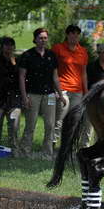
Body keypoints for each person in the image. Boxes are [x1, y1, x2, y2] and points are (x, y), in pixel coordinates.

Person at [19, 28, 64, 159]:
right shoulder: (27, 55)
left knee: (50, 125)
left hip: (49, 94)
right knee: (30, 124)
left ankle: (47, 153)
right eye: (40, 38)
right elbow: (21, 76)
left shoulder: (51, 55)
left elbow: (55, 77)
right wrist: (24, 96)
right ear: (35, 39)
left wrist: (60, 95)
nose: (43, 40)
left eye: (45, 38)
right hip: (32, 94)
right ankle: (25, 152)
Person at [52, 24, 89, 143]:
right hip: (62, 88)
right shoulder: (58, 48)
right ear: (67, 35)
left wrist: (86, 92)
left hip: (77, 91)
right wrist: (55, 89)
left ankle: (66, 145)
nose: (75, 36)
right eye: (72, 33)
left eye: (77, 34)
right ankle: (52, 143)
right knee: (60, 119)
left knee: (73, 120)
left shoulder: (82, 51)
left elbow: (83, 73)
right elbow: (52, 70)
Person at [0, 37, 22, 153]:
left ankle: (14, 151)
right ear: (2, 47)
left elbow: (20, 77)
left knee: (14, 128)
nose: (9, 47)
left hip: (14, 99)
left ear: (14, 47)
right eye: (6, 45)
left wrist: (13, 62)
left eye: (11, 45)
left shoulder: (17, 61)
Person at [82, 43, 104, 147]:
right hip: (91, 102)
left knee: (101, 129)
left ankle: (98, 150)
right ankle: (84, 149)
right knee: (88, 129)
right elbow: (85, 83)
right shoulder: (91, 67)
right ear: (99, 53)